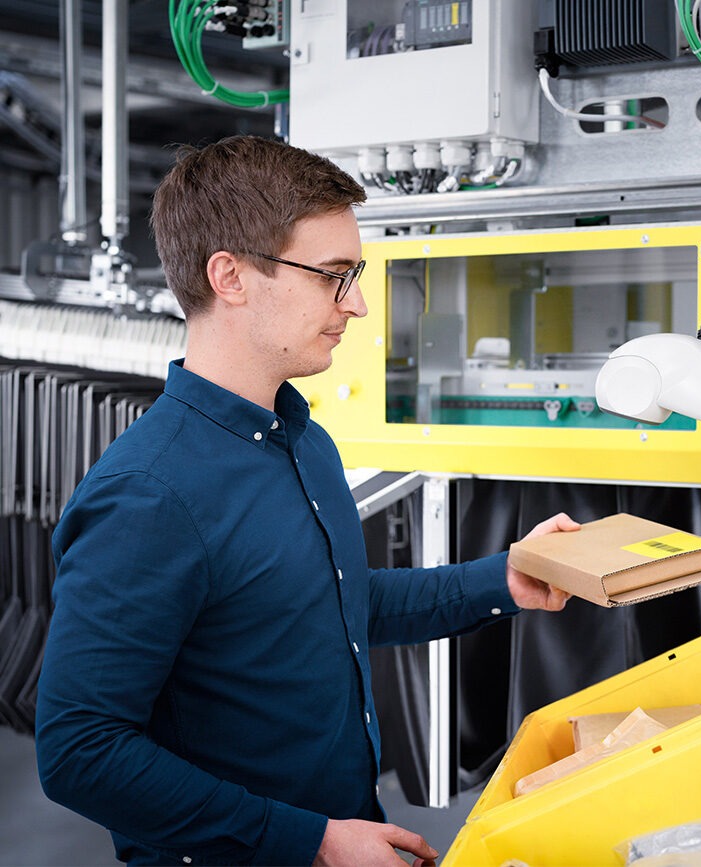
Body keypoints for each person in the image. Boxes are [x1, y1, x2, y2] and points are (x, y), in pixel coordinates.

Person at [35, 134, 579, 867]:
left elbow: (331, 602)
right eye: (332, 276)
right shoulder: (149, 496)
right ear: (229, 276)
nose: (354, 304)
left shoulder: (299, 438)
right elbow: (80, 751)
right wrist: (311, 841)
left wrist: (501, 578)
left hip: (351, 835)